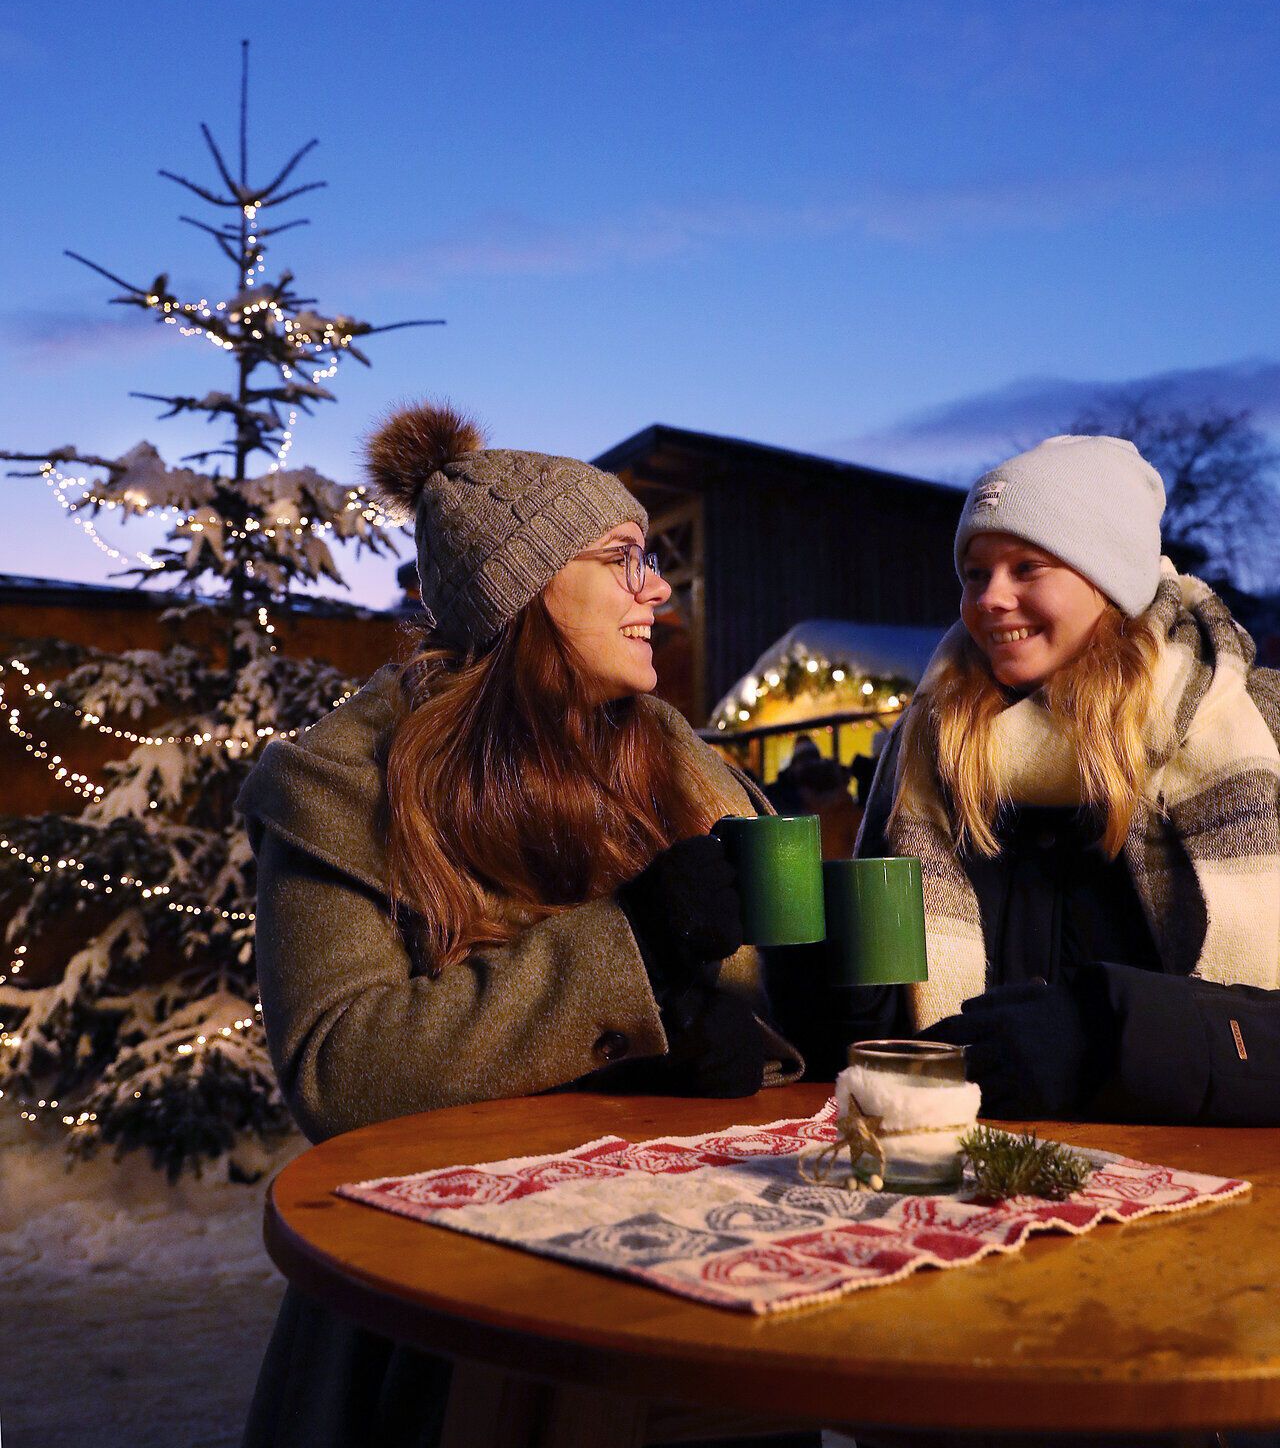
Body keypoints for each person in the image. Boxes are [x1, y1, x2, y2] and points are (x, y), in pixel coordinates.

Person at [238, 401, 803, 1448]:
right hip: (465, 1318)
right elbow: (339, 1070)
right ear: (525, 589)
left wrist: (783, 1012)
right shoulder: (345, 785)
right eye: (623, 558)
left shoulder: (684, 762)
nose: (658, 590)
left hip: (714, 1283)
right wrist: (623, 952)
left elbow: (767, 1006)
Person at [777, 434, 1280, 1131]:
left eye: (1027, 567)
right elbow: (879, 1026)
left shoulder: (1255, 728)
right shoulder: (928, 743)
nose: (991, 599)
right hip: (961, 1174)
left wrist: (1100, 1037)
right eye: (975, 573)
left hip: (1210, 1190)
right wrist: (811, 976)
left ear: (1108, 578)